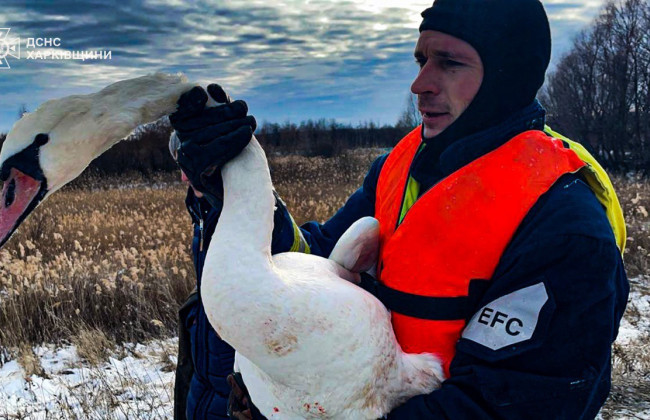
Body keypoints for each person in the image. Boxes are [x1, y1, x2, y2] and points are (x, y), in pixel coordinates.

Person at [170, 0, 629, 418]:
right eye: (421, 60)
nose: (419, 84)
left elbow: (514, 402)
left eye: (448, 63)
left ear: (505, 77)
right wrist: (231, 192)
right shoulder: (398, 168)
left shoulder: (564, 224)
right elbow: (311, 267)